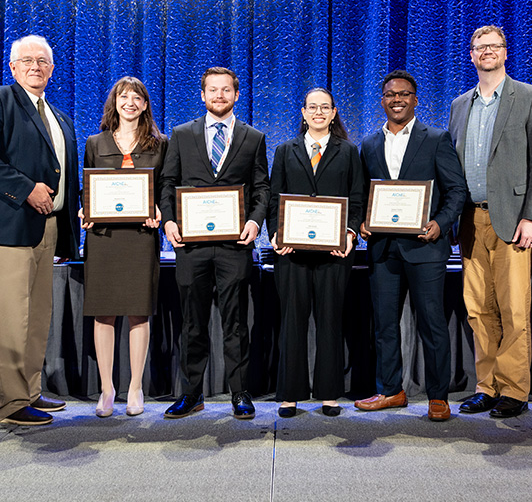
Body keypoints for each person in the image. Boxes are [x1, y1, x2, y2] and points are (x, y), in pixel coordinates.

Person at [0, 34, 80, 426]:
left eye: (43, 61)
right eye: (26, 60)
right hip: (6, 229)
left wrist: (68, 235)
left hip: (46, 232)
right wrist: (26, 188)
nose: (35, 67)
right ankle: (7, 405)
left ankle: (28, 391)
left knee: (34, 318)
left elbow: (67, 179)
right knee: (8, 318)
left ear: (52, 68)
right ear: (12, 67)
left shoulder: (58, 116)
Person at [448, 25, 532, 418]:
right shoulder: (460, 104)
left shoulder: (530, 97)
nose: (487, 52)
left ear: (505, 52)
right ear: (471, 55)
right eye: (480, 47)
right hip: (471, 221)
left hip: (513, 220)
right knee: (478, 309)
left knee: (513, 309)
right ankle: (486, 386)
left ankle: (514, 390)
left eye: (494, 46)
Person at [355, 70, 467, 422]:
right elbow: (362, 193)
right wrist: (359, 221)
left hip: (425, 248)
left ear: (415, 99)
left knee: (432, 323)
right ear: (383, 100)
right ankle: (391, 391)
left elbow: (456, 191)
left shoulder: (435, 138)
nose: (397, 99)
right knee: (385, 325)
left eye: (404, 94)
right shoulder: (370, 144)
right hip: (384, 249)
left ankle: (438, 396)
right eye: (390, 94)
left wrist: (440, 224)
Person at [159, 66, 270, 420]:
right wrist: (169, 220)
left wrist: (255, 221)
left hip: (235, 245)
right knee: (193, 323)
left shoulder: (253, 137)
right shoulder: (181, 134)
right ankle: (192, 393)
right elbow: (168, 182)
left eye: (226, 90)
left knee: (235, 324)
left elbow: (262, 187)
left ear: (237, 95)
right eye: (213, 90)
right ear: (202, 95)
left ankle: (239, 392)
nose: (219, 96)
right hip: (191, 246)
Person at [268, 88, 363, 418]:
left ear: (334, 112)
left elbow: (358, 197)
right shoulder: (284, 150)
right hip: (292, 252)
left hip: (334, 253)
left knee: (330, 321)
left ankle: (329, 393)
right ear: (304, 113)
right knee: (291, 322)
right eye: (313, 107)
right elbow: (272, 198)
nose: (319, 112)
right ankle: (289, 395)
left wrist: (350, 233)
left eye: (325, 107)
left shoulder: (349, 152)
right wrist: (276, 232)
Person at [80, 77, 167, 418]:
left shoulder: (161, 144)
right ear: (114, 102)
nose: (129, 102)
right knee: (104, 312)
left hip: (141, 238)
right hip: (104, 238)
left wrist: (160, 209)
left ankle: (135, 387)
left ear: (145, 105)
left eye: (137, 97)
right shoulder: (95, 142)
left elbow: (166, 188)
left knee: (137, 311)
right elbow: (85, 187)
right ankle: (106, 388)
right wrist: (85, 207)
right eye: (123, 96)